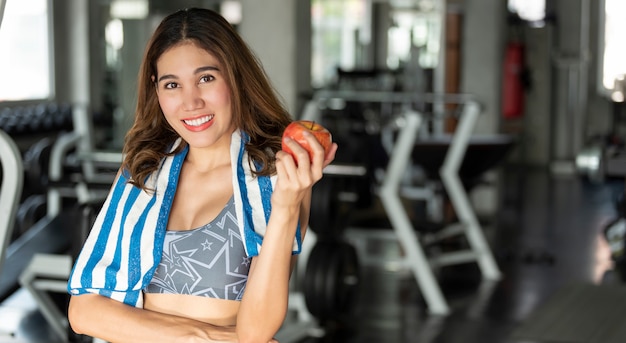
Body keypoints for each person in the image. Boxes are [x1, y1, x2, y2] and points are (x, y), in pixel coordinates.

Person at [67, 7, 336, 343]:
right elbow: (83, 311)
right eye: (172, 84)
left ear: (235, 77)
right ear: (156, 90)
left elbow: (257, 332)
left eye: (206, 78)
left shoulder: (276, 174)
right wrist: (205, 339)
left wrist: (285, 206)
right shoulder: (143, 169)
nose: (190, 102)